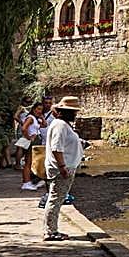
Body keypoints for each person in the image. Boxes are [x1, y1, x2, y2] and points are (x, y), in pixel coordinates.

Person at [42, 96, 83, 241]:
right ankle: (50, 231)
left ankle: (52, 229)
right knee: (55, 199)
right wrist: (62, 167)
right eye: (73, 112)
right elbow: (56, 147)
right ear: (65, 112)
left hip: (64, 167)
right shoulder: (60, 125)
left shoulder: (62, 124)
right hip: (61, 168)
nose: (75, 114)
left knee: (57, 199)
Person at [17, 102, 44, 191]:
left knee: (31, 161)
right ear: (34, 109)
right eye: (38, 109)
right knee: (28, 162)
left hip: (36, 140)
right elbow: (24, 128)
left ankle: (28, 181)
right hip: (32, 141)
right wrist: (28, 137)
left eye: (41, 109)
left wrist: (42, 118)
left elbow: (44, 125)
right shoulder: (31, 118)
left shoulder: (35, 119)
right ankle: (26, 182)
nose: (40, 111)